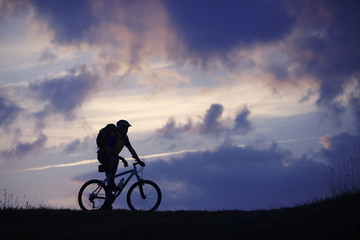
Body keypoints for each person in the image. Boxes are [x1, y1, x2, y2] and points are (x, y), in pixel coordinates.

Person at [101, 119, 144, 209]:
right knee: (115, 161)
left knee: (114, 161)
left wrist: (139, 160)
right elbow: (109, 152)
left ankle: (107, 203)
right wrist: (122, 159)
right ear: (120, 127)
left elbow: (131, 149)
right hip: (103, 155)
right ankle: (111, 181)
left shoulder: (124, 137)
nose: (126, 130)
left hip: (111, 157)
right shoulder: (113, 136)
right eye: (125, 128)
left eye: (127, 128)